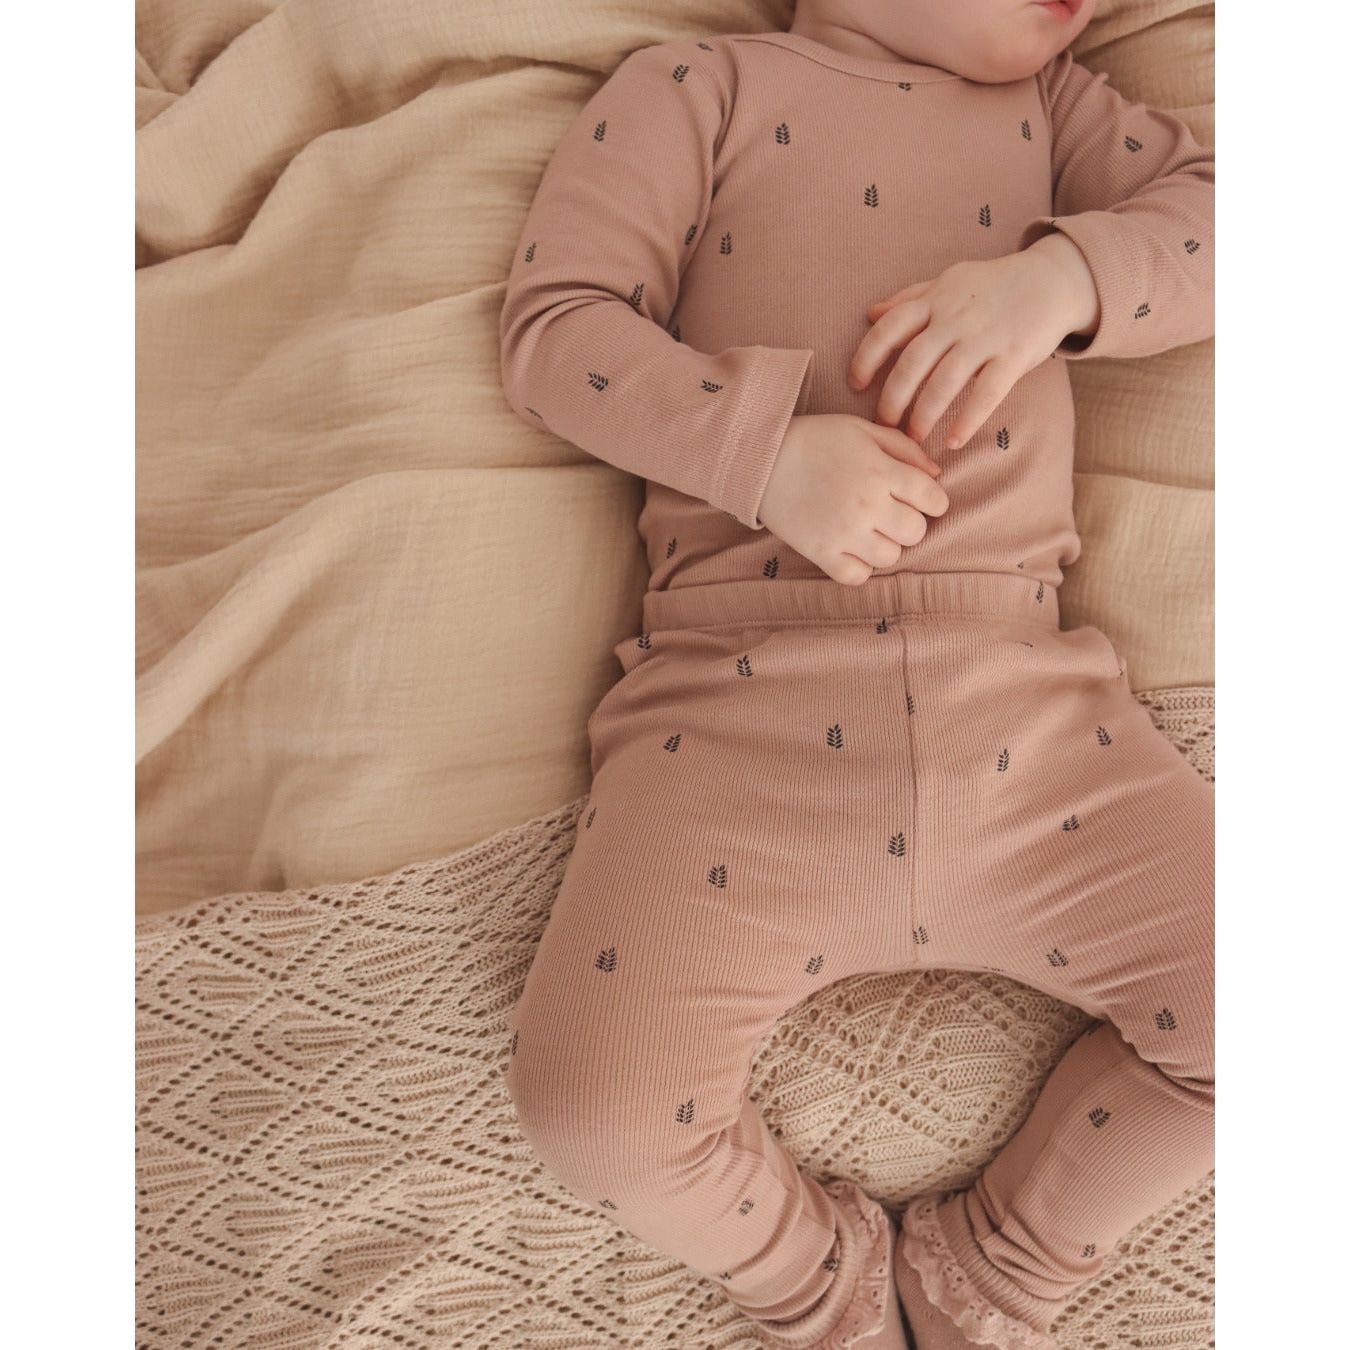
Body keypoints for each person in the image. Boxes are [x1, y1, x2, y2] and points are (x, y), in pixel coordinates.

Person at [499, 1, 1214, 1344]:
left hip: (1033, 723)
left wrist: (1061, 282)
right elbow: (557, 332)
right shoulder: (695, 86)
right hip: (732, 718)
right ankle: (813, 1284)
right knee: (591, 1108)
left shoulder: (1055, 109)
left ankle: (992, 1270)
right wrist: (762, 455)